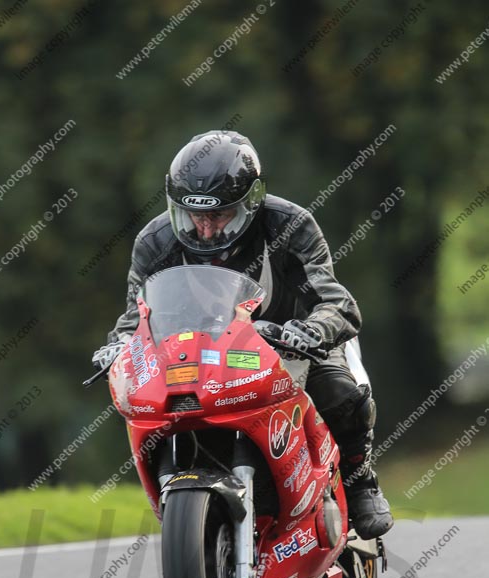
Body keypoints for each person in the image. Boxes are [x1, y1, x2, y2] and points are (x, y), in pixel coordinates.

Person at [93, 130, 393, 540]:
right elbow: (135, 314)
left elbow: (336, 302)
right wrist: (117, 347)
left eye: (219, 215)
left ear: (250, 203)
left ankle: (361, 484)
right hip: (199, 355)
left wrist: (312, 330)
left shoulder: (291, 224)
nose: (205, 229)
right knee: (151, 404)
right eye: (193, 215)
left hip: (293, 345)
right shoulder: (154, 240)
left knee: (341, 393)